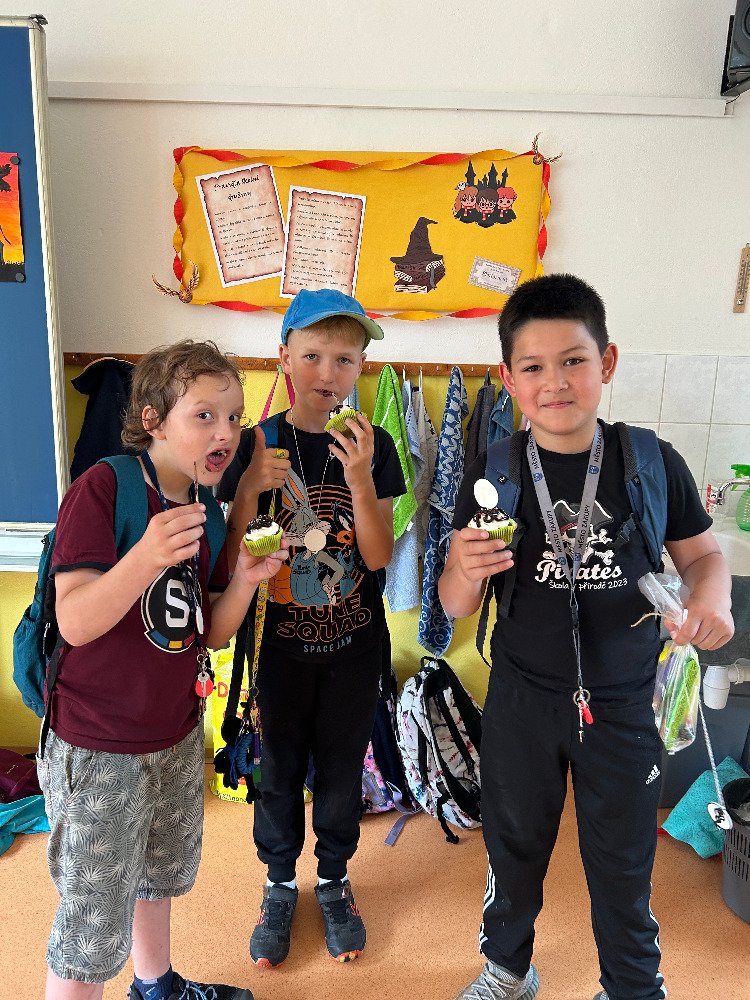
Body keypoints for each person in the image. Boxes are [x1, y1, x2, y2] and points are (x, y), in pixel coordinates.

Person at [438, 274, 735, 1000]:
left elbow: (704, 557)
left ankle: (632, 986)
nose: (555, 382)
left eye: (573, 360)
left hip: (626, 702)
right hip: (522, 699)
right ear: (510, 379)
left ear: (606, 362)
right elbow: (455, 602)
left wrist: (711, 602)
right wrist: (463, 570)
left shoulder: (648, 460)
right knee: (513, 849)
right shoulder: (496, 469)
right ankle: (508, 970)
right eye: (533, 367)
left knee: (623, 860)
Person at [39, 340, 288, 1000]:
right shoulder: (104, 488)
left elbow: (206, 629)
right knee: (90, 922)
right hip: (99, 745)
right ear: (153, 419)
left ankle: (156, 986)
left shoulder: (207, 507)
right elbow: (76, 620)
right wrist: (144, 557)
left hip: (174, 735)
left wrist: (246, 581)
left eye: (233, 418)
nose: (225, 433)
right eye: (204, 415)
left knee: (157, 875)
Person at [218, 288, 405, 968]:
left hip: (354, 645)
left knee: (341, 767)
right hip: (278, 648)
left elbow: (377, 557)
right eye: (313, 356)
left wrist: (360, 481)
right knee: (277, 769)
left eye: (345, 359)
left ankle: (332, 879)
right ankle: (277, 883)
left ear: (362, 368)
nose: (328, 373)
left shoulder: (373, 445)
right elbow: (231, 559)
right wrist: (247, 489)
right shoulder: (254, 443)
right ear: (284, 357)